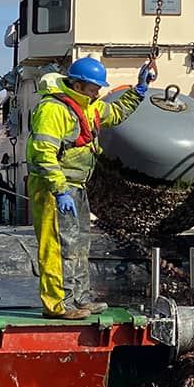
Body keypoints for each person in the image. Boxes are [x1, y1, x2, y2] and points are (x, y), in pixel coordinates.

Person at [27, 57, 153, 319]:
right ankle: (58, 305)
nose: (98, 92)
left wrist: (139, 91)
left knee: (79, 244)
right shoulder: (53, 109)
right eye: (94, 87)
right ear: (78, 84)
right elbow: (43, 152)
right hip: (54, 188)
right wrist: (59, 189)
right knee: (58, 246)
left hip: (77, 186)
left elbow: (116, 114)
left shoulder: (89, 106)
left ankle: (79, 298)